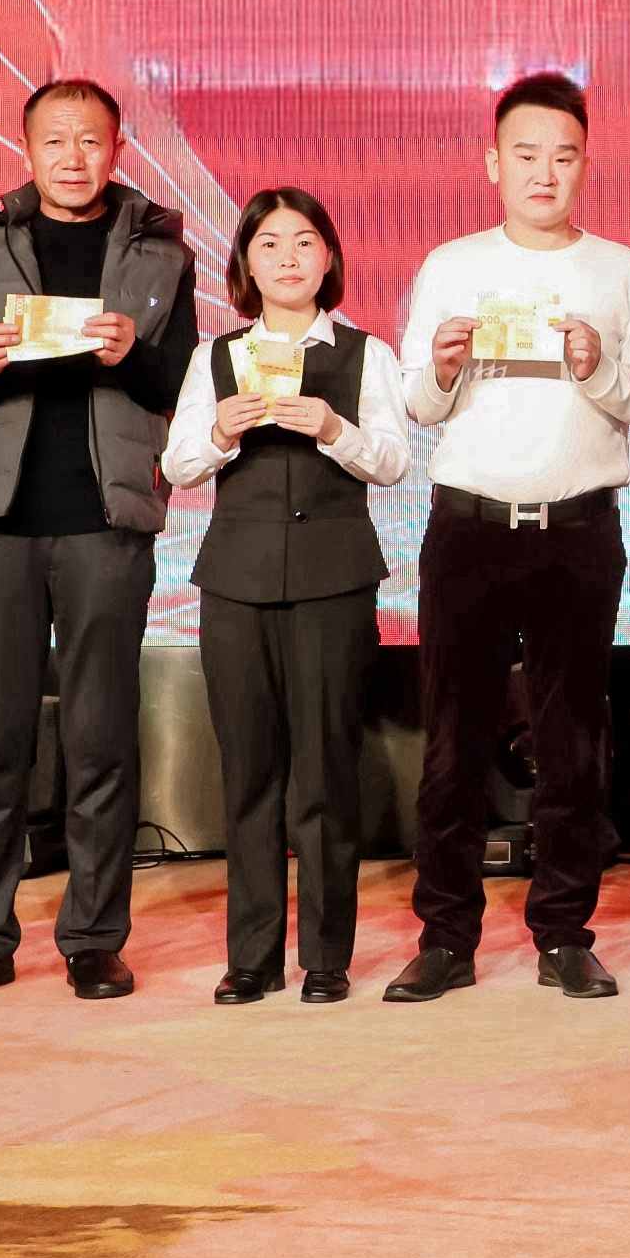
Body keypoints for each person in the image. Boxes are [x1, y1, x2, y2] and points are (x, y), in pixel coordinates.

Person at [381, 73, 630, 1002]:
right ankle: (446, 936)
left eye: (562, 155)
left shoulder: (621, 269)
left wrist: (599, 369)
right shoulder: (450, 264)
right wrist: (440, 367)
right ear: (492, 163)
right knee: (452, 743)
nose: (544, 172)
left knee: (573, 741)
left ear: (585, 164)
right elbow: (417, 404)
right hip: (468, 526)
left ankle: (563, 932)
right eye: (525, 154)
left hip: (578, 530)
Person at [0, 78, 197, 1003]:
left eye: (90, 141)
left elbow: (182, 385)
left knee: (99, 737)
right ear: (27, 148)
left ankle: (93, 937)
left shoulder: (164, 255)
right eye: (55, 140)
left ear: (117, 149)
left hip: (106, 523)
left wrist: (132, 355)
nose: (73, 157)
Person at [161, 188, 411, 1005]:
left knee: (326, 771)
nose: (289, 258)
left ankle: (327, 957)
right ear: (245, 262)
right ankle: (252, 956)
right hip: (236, 579)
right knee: (249, 772)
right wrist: (221, 431)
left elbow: (394, 460)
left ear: (329, 256)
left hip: (334, 578)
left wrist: (334, 428)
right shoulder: (216, 356)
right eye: (269, 244)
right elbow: (177, 464)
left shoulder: (366, 354)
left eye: (305, 241)